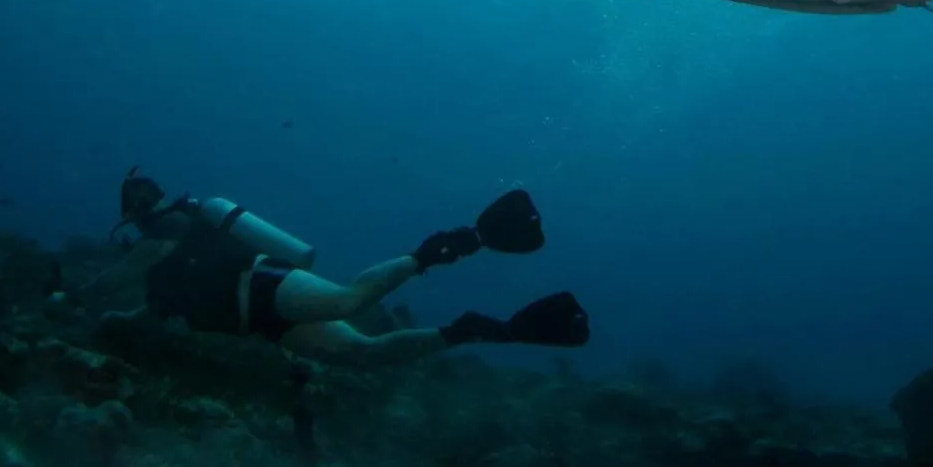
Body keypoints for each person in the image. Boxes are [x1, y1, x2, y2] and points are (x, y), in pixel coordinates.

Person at [92, 170, 590, 366]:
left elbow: (111, 281)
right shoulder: (162, 273)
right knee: (365, 355)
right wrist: (116, 323)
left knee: (347, 299)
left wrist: (70, 299)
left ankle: (445, 248)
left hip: (267, 288)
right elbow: (151, 314)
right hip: (264, 322)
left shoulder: (162, 240)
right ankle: (477, 330)